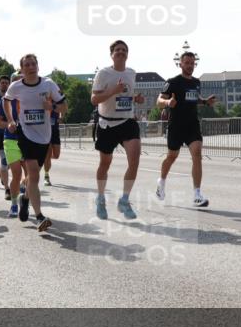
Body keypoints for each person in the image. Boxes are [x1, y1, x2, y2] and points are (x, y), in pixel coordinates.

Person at [3, 54, 67, 232]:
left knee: (33, 177)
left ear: (38, 66)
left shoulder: (48, 84)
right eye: (27, 65)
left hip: (44, 137)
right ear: (22, 69)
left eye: (34, 64)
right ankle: (39, 216)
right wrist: (10, 120)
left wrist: (52, 108)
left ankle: (25, 199)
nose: (31, 67)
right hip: (26, 135)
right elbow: (6, 100)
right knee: (34, 174)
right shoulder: (16, 86)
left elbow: (64, 107)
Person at [91, 39, 145, 220]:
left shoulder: (131, 73)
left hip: (127, 121)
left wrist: (135, 98)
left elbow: (127, 95)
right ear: (112, 54)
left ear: (127, 54)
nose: (121, 52)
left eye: (124, 50)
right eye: (117, 50)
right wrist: (113, 90)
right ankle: (100, 197)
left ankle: (124, 200)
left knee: (135, 161)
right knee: (105, 163)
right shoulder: (103, 73)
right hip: (107, 123)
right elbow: (94, 99)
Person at [156, 52, 216, 207]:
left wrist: (204, 102)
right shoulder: (173, 82)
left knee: (197, 154)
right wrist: (168, 102)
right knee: (171, 157)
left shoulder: (196, 82)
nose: (190, 65)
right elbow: (159, 100)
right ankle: (161, 181)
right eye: (187, 63)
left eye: (192, 63)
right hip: (176, 125)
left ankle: (197, 194)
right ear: (180, 64)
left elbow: (193, 99)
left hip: (192, 125)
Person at [0, 74, 26, 217]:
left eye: (21, 80)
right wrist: (8, 124)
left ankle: (23, 197)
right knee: (17, 174)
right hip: (11, 140)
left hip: (30, 140)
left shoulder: (31, 98)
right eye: (16, 81)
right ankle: (14, 205)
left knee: (32, 175)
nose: (19, 83)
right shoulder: (5, 100)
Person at [43, 100, 63, 186]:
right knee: (48, 153)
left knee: (56, 155)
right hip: (46, 130)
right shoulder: (44, 96)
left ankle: (44, 157)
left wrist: (62, 116)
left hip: (55, 130)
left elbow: (63, 108)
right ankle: (46, 176)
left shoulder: (57, 98)